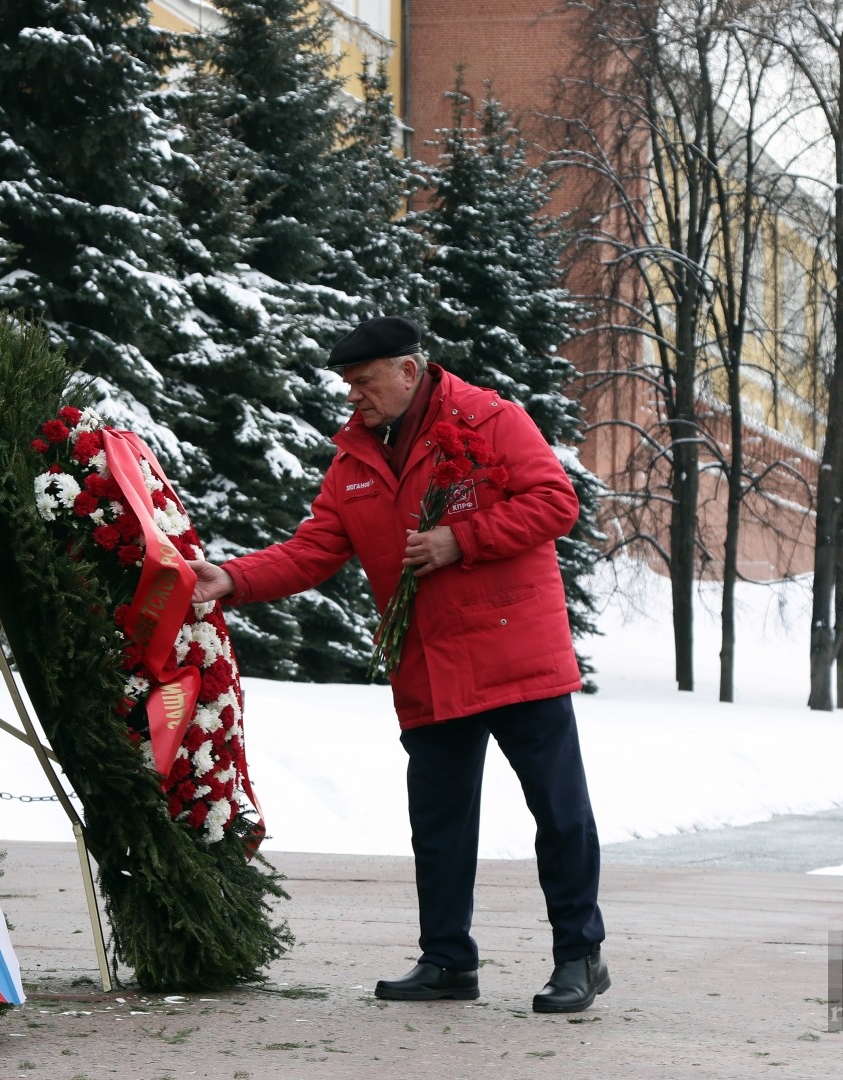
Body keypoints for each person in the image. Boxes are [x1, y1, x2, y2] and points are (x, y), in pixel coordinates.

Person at [187, 315, 609, 1012]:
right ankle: (447, 961)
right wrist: (231, 580)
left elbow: (555, 502)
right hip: (429, 664)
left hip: (516, 654)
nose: (353, 395)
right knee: (437, 823)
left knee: (559, 813)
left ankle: (578, 956)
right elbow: (313, 548)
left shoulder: (488, 418)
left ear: (409, 372)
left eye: (364, 381)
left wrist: (459, 539)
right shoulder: (354, 460)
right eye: (348, 383)